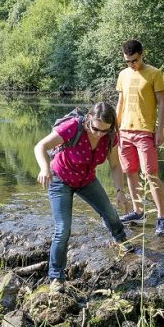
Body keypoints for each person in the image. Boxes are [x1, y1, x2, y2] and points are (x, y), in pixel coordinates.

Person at [34, 103, 133, 294]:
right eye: (95, 128)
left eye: (104, 130)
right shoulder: (73, 126)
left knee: (110, 213)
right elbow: (41, 146)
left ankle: (122, 240)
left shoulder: (111, 136)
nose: (98, 134)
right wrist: (44, 168)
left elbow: (114, 165)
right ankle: (56, 277)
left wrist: (120, 190)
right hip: (60, 179)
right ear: (88, 119)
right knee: (63, 230)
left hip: (86, 180)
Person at [115, 39, 164, 236]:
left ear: (142, 54)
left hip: (145, 131)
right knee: (130, 172)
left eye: (135, 60)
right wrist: (115, 127)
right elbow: (120, 103)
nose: (132, 65)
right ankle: (138, 212)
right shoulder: (123, 75)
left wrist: (160, 130)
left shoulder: (154, 73)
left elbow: (162, 103)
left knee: (151, 174)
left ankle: (162, 217)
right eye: (128, 61)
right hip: (124, 132)